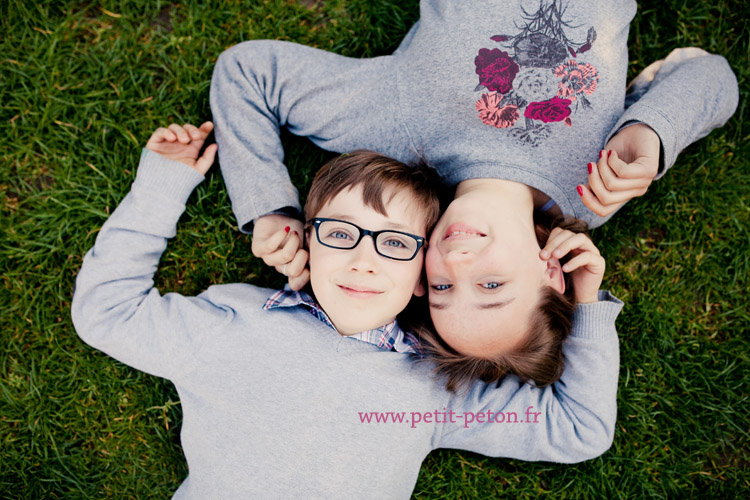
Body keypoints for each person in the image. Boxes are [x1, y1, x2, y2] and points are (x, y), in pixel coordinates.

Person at [71, 121, 622, 499]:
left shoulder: (434, 390)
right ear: (307, 240)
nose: (363, 260)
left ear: (423, 280)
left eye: (395, 243)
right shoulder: (232, 324)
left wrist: (586, 299)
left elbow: (579, 430)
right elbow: (107, 311)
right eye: (340, 234)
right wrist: (163, 185)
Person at [209, 0, 738, 384]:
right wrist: (651, 130)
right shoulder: (597, 188)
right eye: (490, 285)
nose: (457, 262)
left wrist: (269, 210)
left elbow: (247, 72)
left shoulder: (396, 130)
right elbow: (713, 77)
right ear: (551, 270)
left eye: (440, 290)